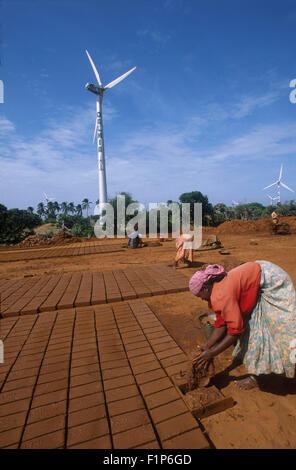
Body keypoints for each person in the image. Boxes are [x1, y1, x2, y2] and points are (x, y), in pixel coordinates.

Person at [189, 261, 296, 390]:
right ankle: (258, 370)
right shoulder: (217, 290)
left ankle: (265, 374)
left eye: (200, 296)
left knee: (281, 327)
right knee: (253, 324)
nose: (202, 299)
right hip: (258, 278)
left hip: (273, 281)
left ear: (206, 288)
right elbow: (221, 322)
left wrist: (212, 353)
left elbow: (235, 332)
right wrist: (207, 346)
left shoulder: (221, 295)